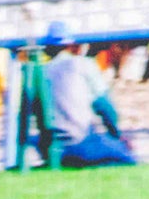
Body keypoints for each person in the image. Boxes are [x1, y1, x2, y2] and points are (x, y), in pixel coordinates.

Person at [40, 21, 137, 167]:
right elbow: (105, 107)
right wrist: (116, 134)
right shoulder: (83, 65)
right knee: (126, 158)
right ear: (72, 45)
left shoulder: (41, 72)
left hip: (49, 147)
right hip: (80, 141)